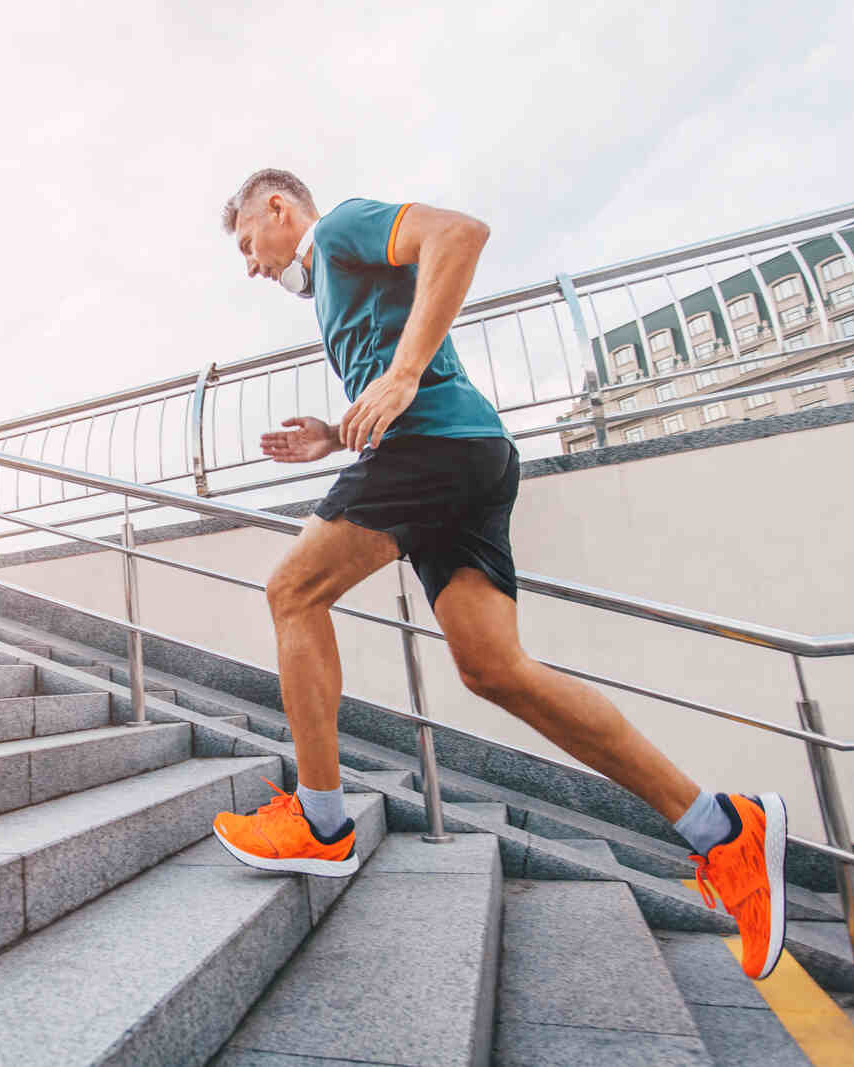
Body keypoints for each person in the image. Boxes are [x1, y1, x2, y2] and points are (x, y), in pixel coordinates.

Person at [207, 168, 788, 980]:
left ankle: (321, 822)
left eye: (247, 245)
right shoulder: (339, 287)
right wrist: (336, 436)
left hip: (435, 449)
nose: (251, 267)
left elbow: (459, 233)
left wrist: (403, 376)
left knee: (291, 590)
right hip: (468, 456)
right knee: (495, 669)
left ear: (278, 209)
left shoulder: (338, 230)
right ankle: (724, 827)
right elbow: (399, 368)